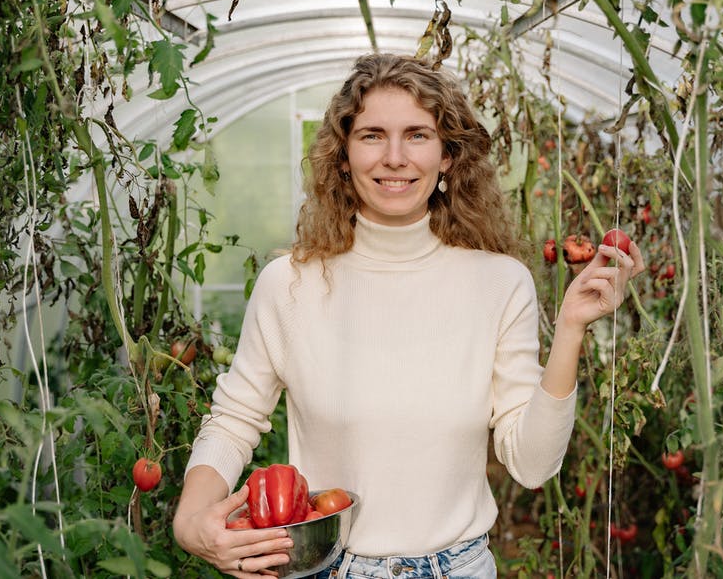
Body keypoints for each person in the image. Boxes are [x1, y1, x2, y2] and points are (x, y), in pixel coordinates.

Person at [172, 52, 645, 578]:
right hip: (327, 568)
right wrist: (190, 519)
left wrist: (571, 328)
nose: (394, 157)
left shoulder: (500, 282)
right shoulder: (290, 284)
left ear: (447, 157)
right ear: (344, 156)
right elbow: (234, 421)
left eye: (418, 135)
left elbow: (532, 466)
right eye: (372, 135)